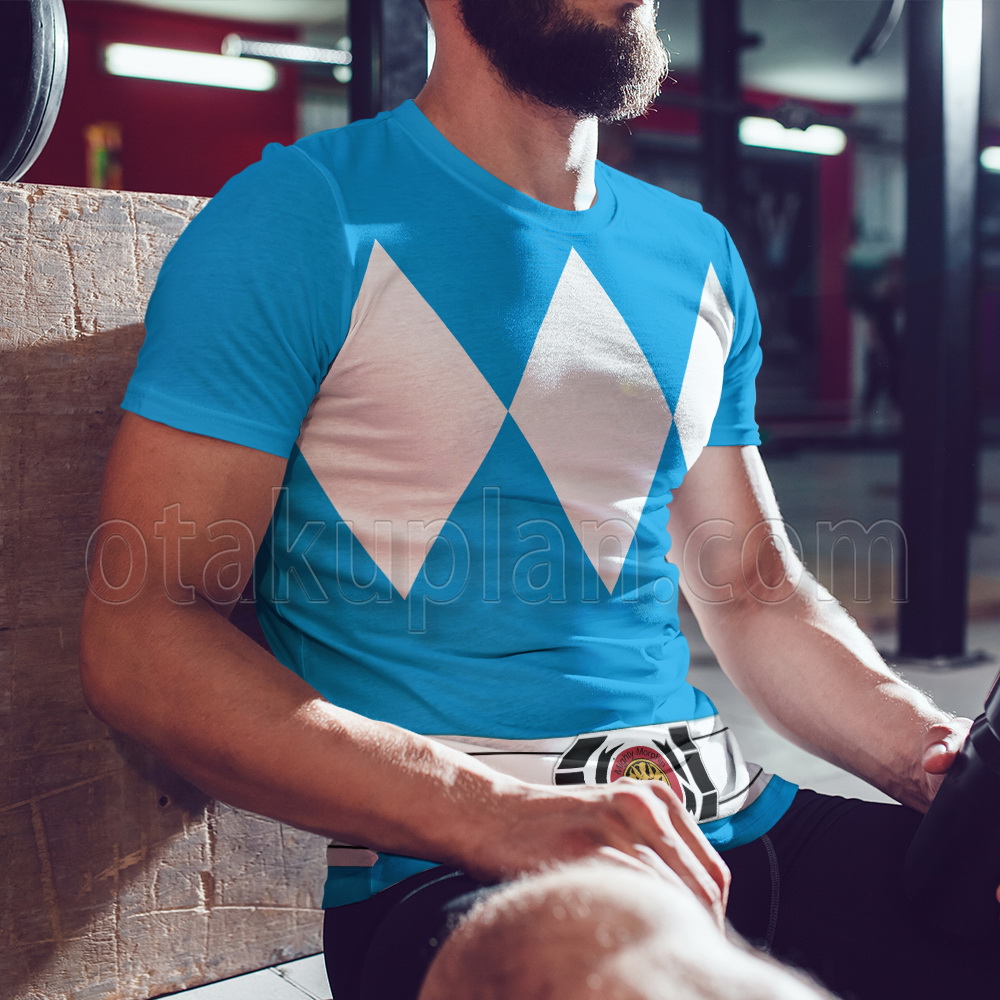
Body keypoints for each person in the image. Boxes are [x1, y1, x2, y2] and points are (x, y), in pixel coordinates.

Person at [79, 1, 998, 998]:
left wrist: (926, 754)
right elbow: (144, 630)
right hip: (459, 867)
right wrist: (498, 815)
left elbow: (750, 590)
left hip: (726, 822)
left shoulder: (695, 252)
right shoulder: (297, 217)